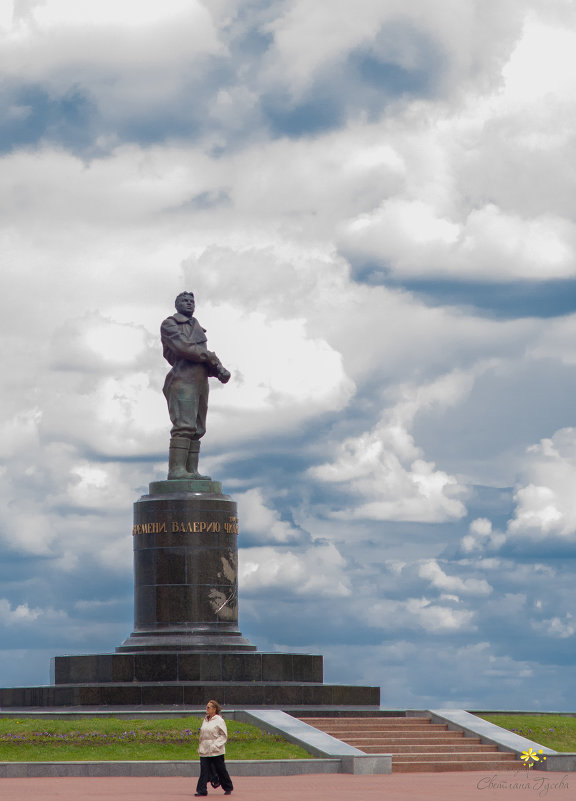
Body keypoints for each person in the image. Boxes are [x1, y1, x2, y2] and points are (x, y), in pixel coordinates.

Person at [161, 292, 230, 480]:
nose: (189, 303)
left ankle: (191, 471)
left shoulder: (197, 326)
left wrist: (218, 369)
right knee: (184, 426)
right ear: (176, 304)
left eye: (192, 301)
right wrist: (212, 358)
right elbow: (184, 348)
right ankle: (176, 470)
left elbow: (201, 356)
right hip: (182, 380)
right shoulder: (170, 324)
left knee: (198, 428)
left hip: (200, 382)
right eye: (185, 300)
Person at [194, 699, 234, 796]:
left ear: (214, 709)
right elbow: (202, 735)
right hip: (204, 750)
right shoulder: (205, 720)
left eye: (208, 707)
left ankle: (228, 787)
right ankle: (202, 790)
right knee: (204, 770)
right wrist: (200, 746)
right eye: (206, 707)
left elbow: (223, 735)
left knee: (221, 770)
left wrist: (215, 745)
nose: (206, 709)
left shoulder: (219, 720)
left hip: (216, 751)